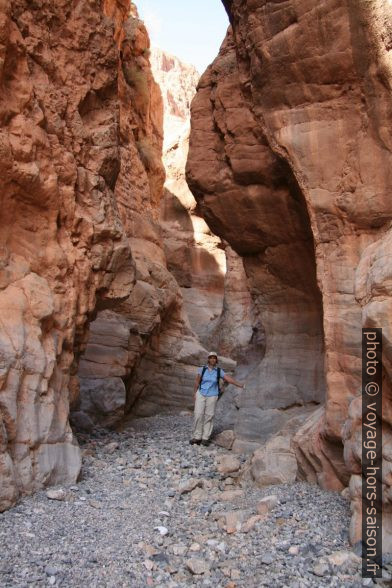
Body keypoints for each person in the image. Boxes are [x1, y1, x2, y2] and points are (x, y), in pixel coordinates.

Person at [190, 351, 245, 446]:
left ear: (216, 360)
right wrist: (195, 394)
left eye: (214, 358)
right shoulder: (202, 369)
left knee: (209, 416)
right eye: (210, 357)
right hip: (201, 394)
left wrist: (240, 385)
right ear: (208, 359)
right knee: (198, 415)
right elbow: (197, 382)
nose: (212, 359)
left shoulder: (219, 371)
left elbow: (228, 379)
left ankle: (205, 438)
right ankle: (197, 436)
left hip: (212, 395)